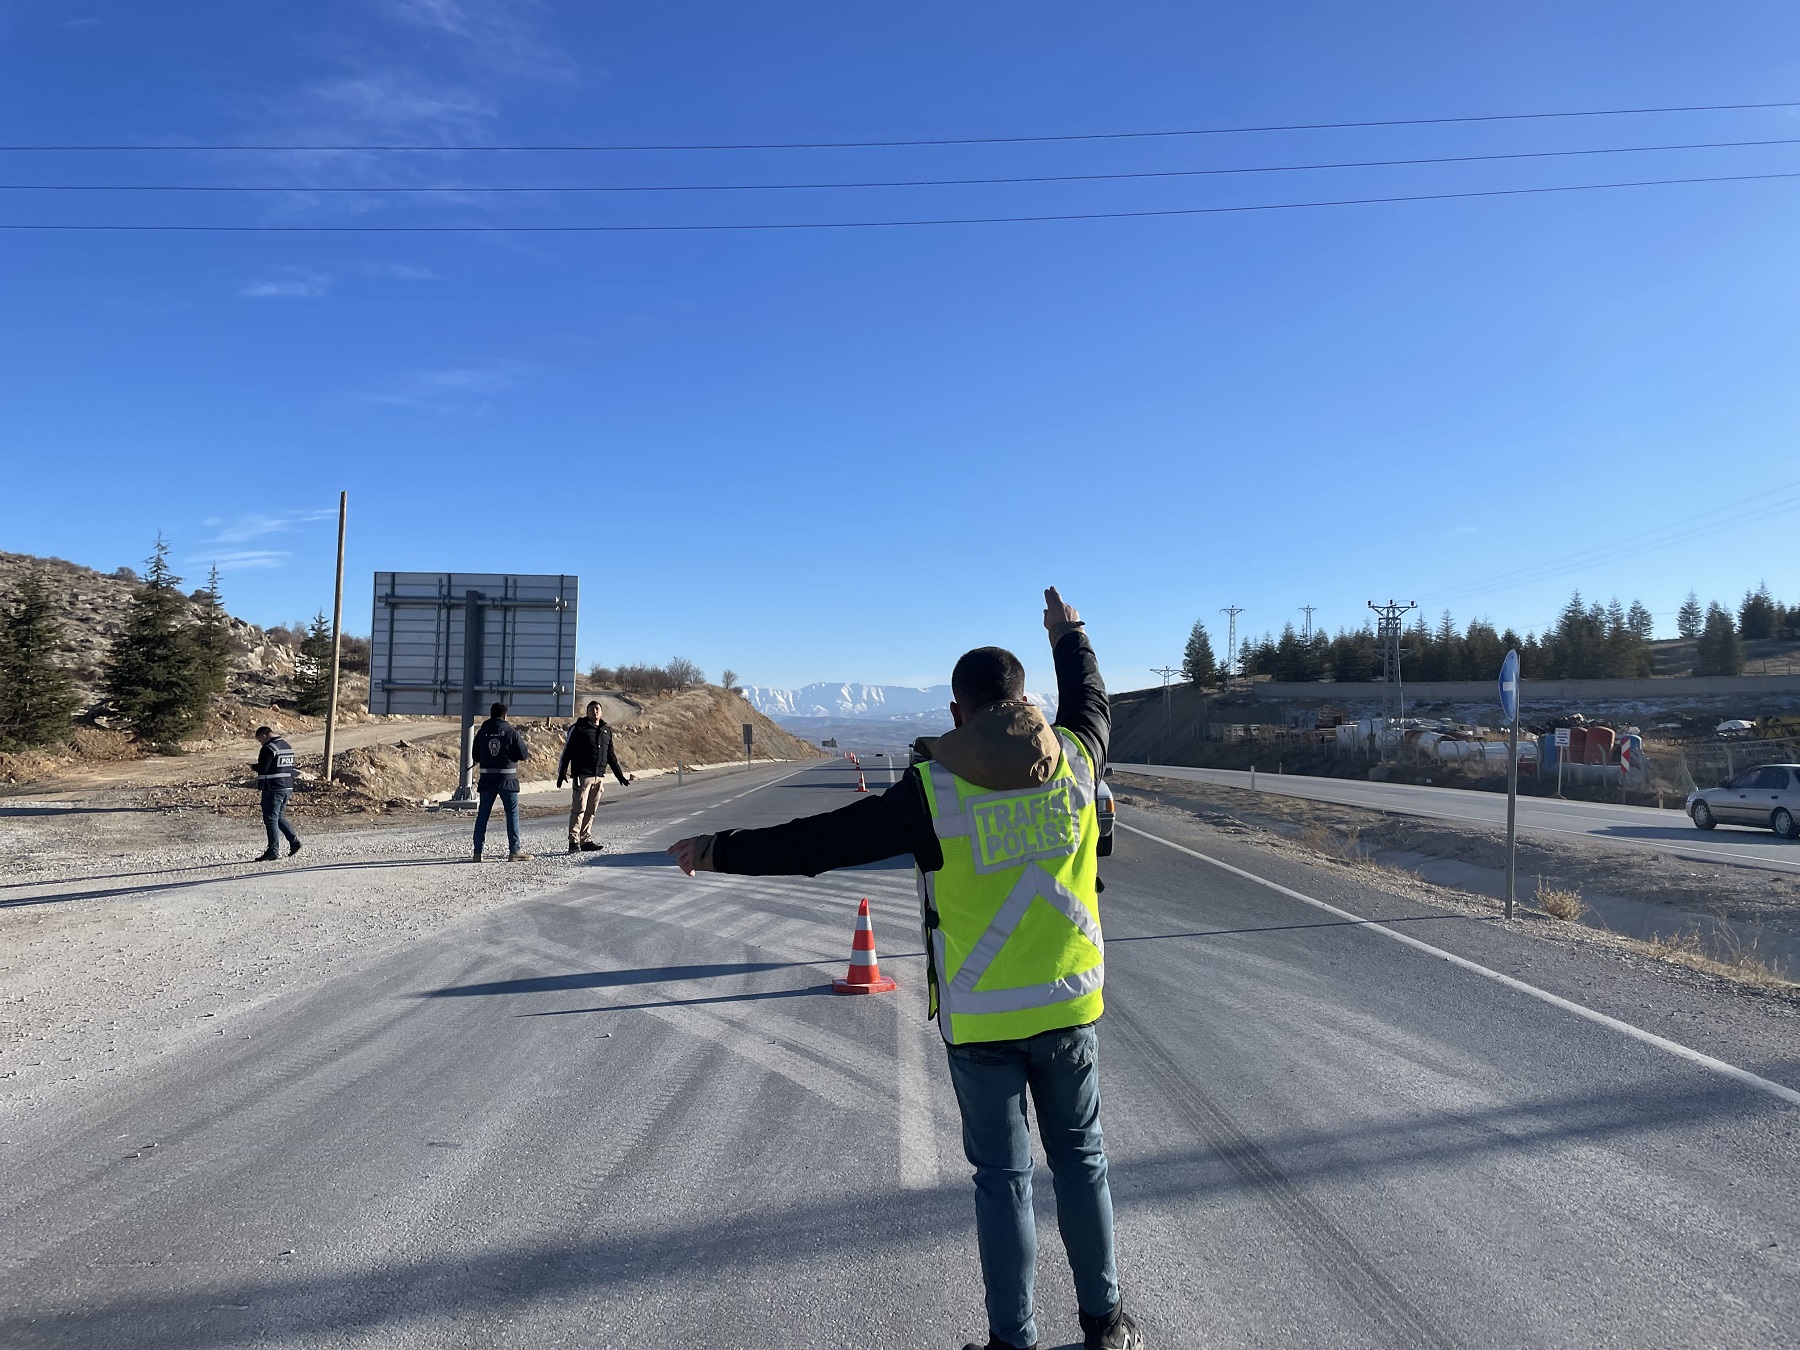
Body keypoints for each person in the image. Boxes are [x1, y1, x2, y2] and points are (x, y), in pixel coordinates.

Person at [668, 588, 1141, 1350]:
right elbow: (1091, 700)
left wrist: (720, 848)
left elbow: (817, 845)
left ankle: (1012, 1341)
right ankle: (1106, 1327)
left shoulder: (932, 791)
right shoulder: (1081, 760)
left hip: (983, 1020)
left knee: (1005, 1185)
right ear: (1024, 701)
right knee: (1083, 1165)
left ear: (958, 715)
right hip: (1070, 1007)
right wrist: (1070, 632)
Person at [556, 699, 635, 852]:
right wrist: (562, 772)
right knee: (579, 808)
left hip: (599, 776)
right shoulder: (578, 728)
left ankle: (585, 840)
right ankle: (573, 841)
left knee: (591, 810)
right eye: (591, 708)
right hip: (582, 775)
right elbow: (567, 751)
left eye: (597, 708)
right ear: (587, 712)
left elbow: (610, 755)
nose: (594, 711)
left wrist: (620, 776)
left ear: (601, 712)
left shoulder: (606, 730)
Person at [471, 702, 533, 862]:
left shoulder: (482, 732)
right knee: (511, 814)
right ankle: (514, 851)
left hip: (487, 780)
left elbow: (474, 755)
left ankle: (477, 853)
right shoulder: (511, 731)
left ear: (491, 715)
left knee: (483, 815)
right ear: (505, 715)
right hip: (508, 780)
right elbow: (524, 754)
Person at [251, 725, 301, 862]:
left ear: (264, 735)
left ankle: (273, 850)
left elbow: (263, 768)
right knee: (278, 816)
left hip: (273, 788)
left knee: (271, 819)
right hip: (287, 787)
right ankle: (294, 841)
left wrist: (254, 767)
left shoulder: (268, 748)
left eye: (259, 739)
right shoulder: (286, 746)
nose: (260, 743)